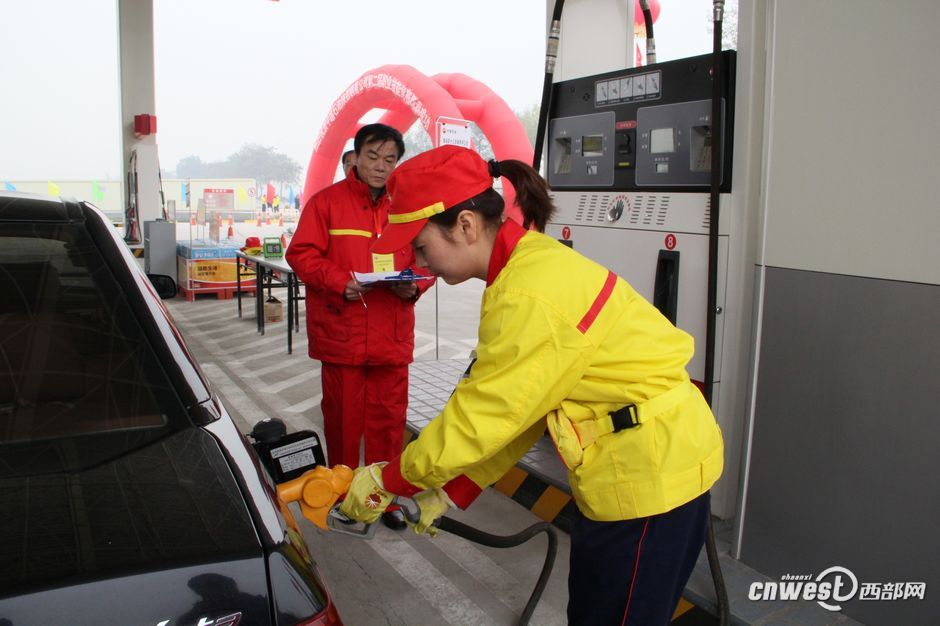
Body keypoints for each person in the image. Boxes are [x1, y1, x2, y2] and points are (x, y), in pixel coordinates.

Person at [339, 145, 724, 624]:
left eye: (420, 246)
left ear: (465, 226)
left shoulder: (527, 292)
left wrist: (388, 478)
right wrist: (452, 490)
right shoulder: (525, 266)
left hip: (649, 477)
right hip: (632, 466)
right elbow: (522, 411)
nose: (418, 261)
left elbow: (482, 418)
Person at [285, 123, 432, 531]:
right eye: (373, 156)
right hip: (343, 330)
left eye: (390, 159)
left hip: (391, 332)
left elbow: (429, 257)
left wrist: (415, 286)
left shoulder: (408, 207)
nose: (381, 167)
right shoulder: (326, 203)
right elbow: (300, 253)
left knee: (388, 421)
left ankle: (384, 500)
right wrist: (338, 282)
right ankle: (345, 497)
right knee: (344, 422)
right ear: (355, 156)